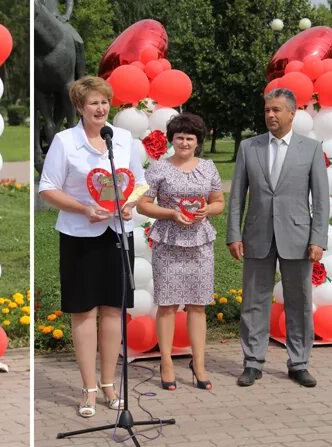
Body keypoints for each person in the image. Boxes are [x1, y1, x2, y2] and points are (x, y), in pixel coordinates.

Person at [38, 76, 144, 417]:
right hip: (79, 235)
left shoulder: (123, 139)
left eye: (104, 102)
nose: (100, 108)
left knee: (114, 310)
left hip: (117, 233)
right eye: (93, 103)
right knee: (84, 311)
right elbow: (48, 188)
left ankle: (110, 384)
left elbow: (140, 183)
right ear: (80, 107)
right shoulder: (65, 141)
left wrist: (130, 204)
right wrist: (84, 209)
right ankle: (88, 387)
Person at [227, 88, 329, 388]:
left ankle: (299, 363)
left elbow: (321, 200)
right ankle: (252, 362)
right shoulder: (249, 147)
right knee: (254, 302)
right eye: (267, 110)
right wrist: (233, 233)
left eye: (277, 110)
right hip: (257, 235)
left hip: (298, 238)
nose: (270, 115)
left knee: (299, 302)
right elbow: (237, 197)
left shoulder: (310, 149)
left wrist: (318, 239)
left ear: (292, 113)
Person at [136, 113, 224, 391]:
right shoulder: (158, 168)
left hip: (200, 242)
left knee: (198, 305)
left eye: (190, 138)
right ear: (172, 139)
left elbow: (219, 201)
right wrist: (171, 213)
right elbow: (143, 205)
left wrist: (207, 210)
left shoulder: (209, 168)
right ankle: (166, 362)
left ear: (198, 142)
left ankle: (198, 363)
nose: (184, 142)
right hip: (169, 242)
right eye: (179, 137)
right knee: (168, 304)